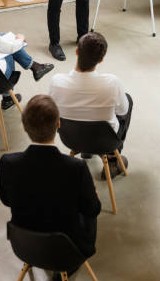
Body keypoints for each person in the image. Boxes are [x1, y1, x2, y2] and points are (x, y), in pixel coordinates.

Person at [0, 94, 101, 281]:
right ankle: (68, 266)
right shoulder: (75, 168)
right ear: (59, 124)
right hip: (68, 249)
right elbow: (92, 210)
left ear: (24, 127)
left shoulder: (8, 163)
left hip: (24, 245)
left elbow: (6, 200)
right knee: (88, 205)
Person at [49, 31, 133, 180]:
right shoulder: (112, 83)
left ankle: (86, 150)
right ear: (101, 60)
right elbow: (123, 111)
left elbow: (53, 113)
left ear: (76, 51)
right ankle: (113, 159)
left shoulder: (56, 81)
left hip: (70, 138)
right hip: (105, 141)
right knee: (127, 101)